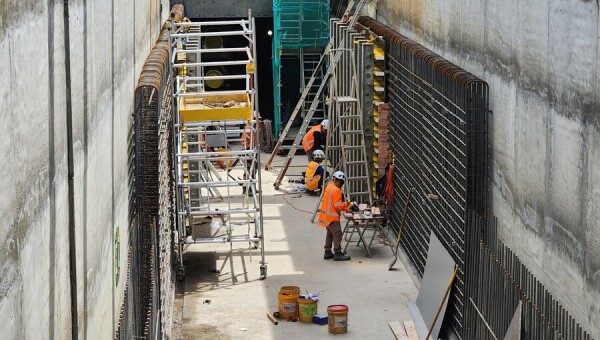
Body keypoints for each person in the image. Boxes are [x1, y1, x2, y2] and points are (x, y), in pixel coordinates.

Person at [317, 171, 354, 261]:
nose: (342, 185)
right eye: (342, 183)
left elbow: (334, 204)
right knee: (337, 234)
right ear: (339, 181)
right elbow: (337, 206)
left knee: (329, 234)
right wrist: (346, 203)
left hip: (326, 216)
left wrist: (346, 208)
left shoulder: (329, 187)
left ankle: (327, 252)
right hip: (332, 217)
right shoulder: (336, 190)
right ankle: (337, 253)